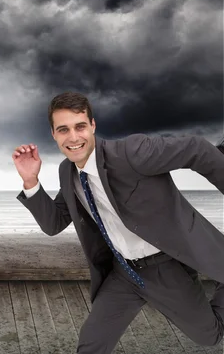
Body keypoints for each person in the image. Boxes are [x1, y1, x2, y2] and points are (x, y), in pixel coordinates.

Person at [12, 91, 224, 353]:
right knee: (91, 342)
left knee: (209, 336)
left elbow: (196, 149)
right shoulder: (67, 171)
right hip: (123, 272)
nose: (73, 137)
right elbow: (54, 223)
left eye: (80, 126)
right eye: (63, 129)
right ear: (53, 134)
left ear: (93, 126)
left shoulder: (131, 153)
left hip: (164, 267)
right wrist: (31, 181)